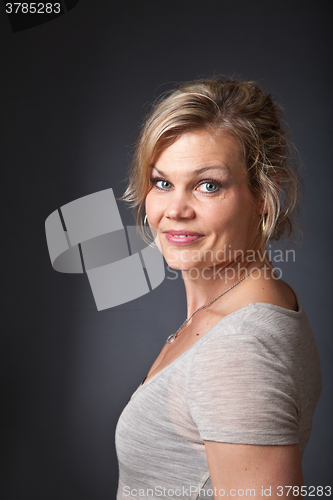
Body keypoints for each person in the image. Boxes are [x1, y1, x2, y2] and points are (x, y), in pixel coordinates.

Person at [115, 78, 322, 499]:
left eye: (208, 185)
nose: (175, 210)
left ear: (266, 193)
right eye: (162, 182)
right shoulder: (245, 309)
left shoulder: (238, 349)